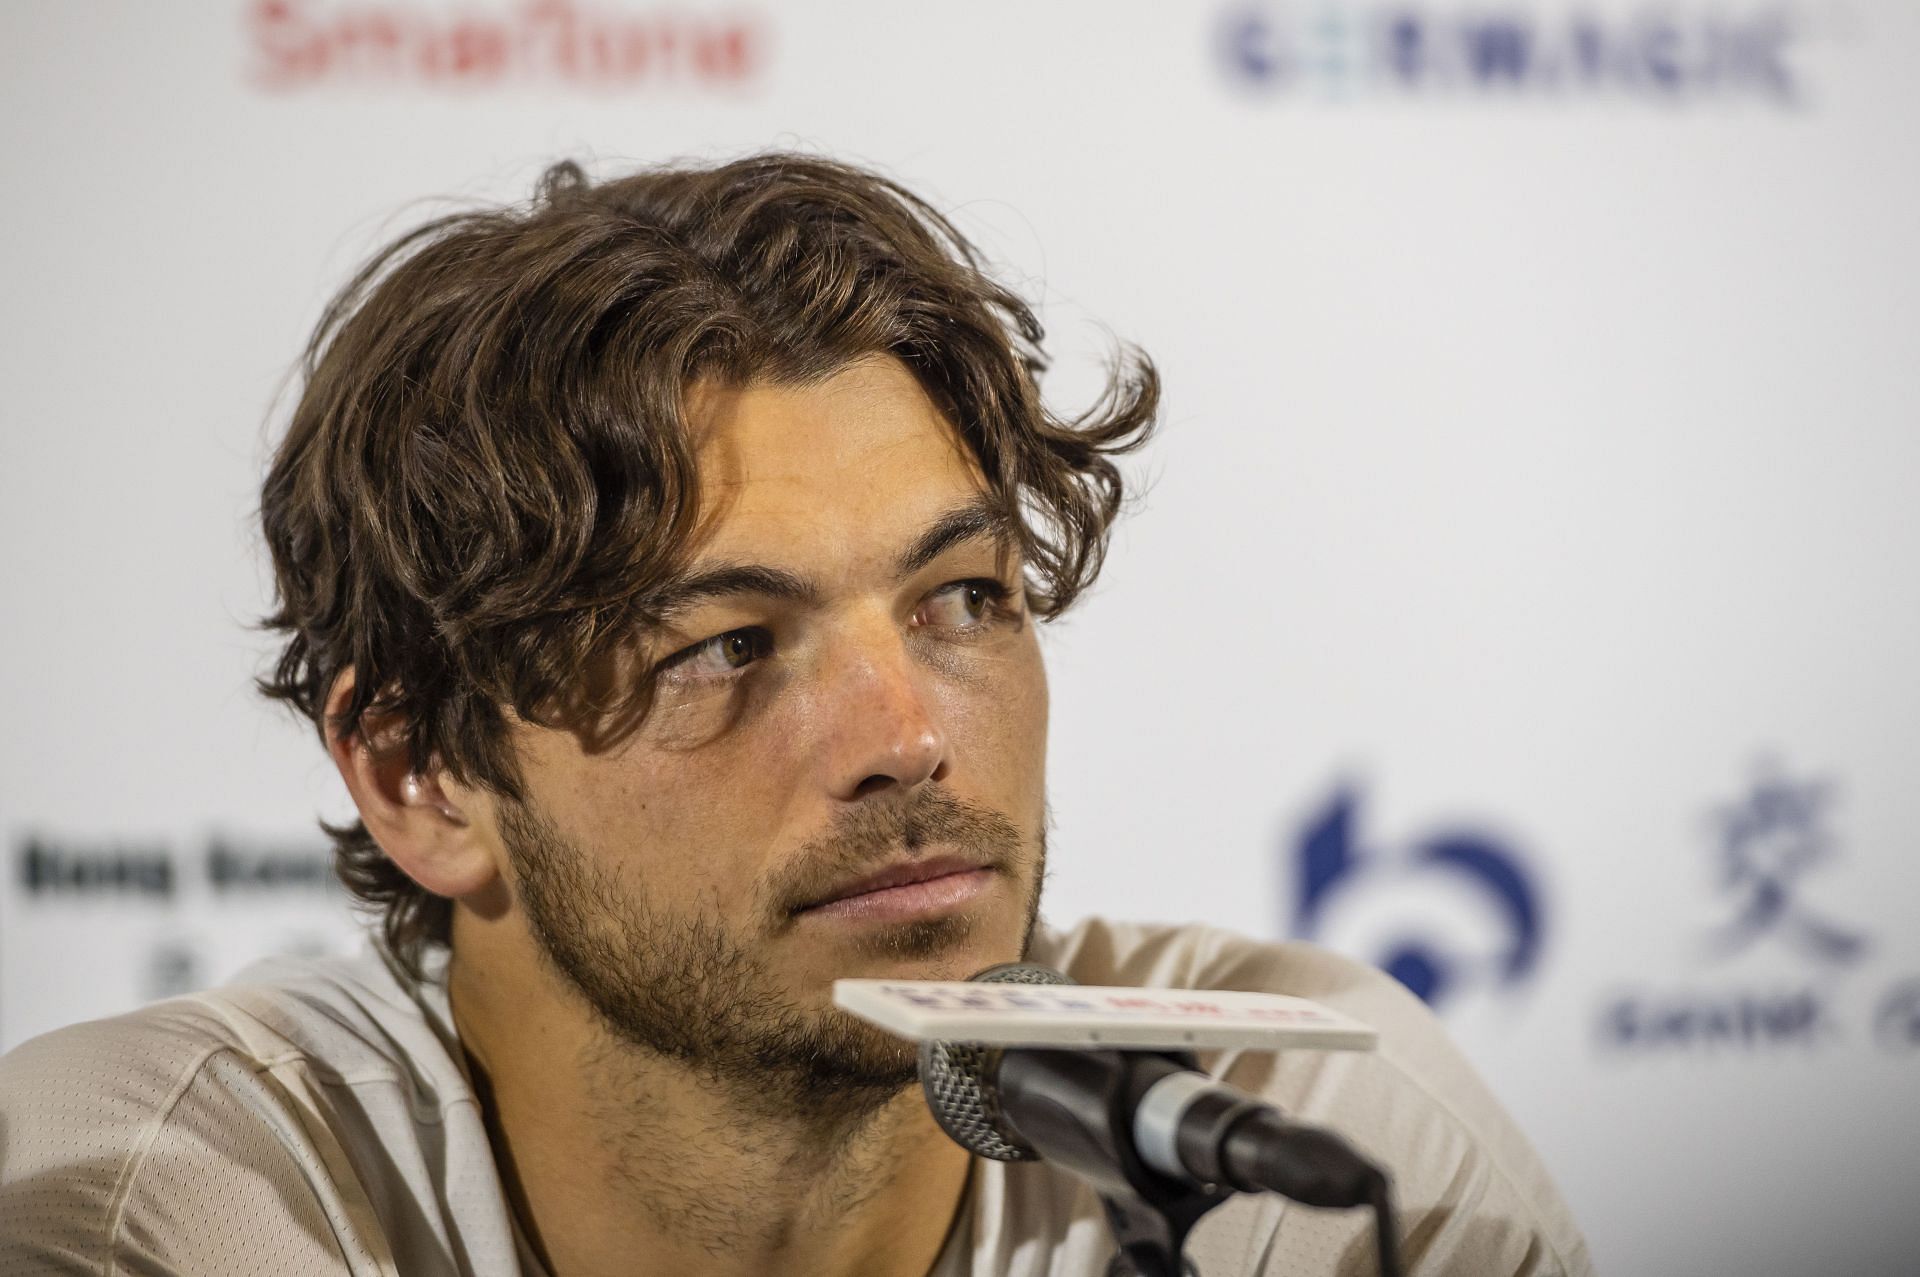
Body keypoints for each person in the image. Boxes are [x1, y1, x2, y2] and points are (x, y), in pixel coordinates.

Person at [0, 154, 1592, 1276]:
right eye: (730, 643)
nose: (908, 735)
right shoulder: (160, 1210)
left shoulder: (1283, 1152)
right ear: (420, 773)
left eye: (962, 598)